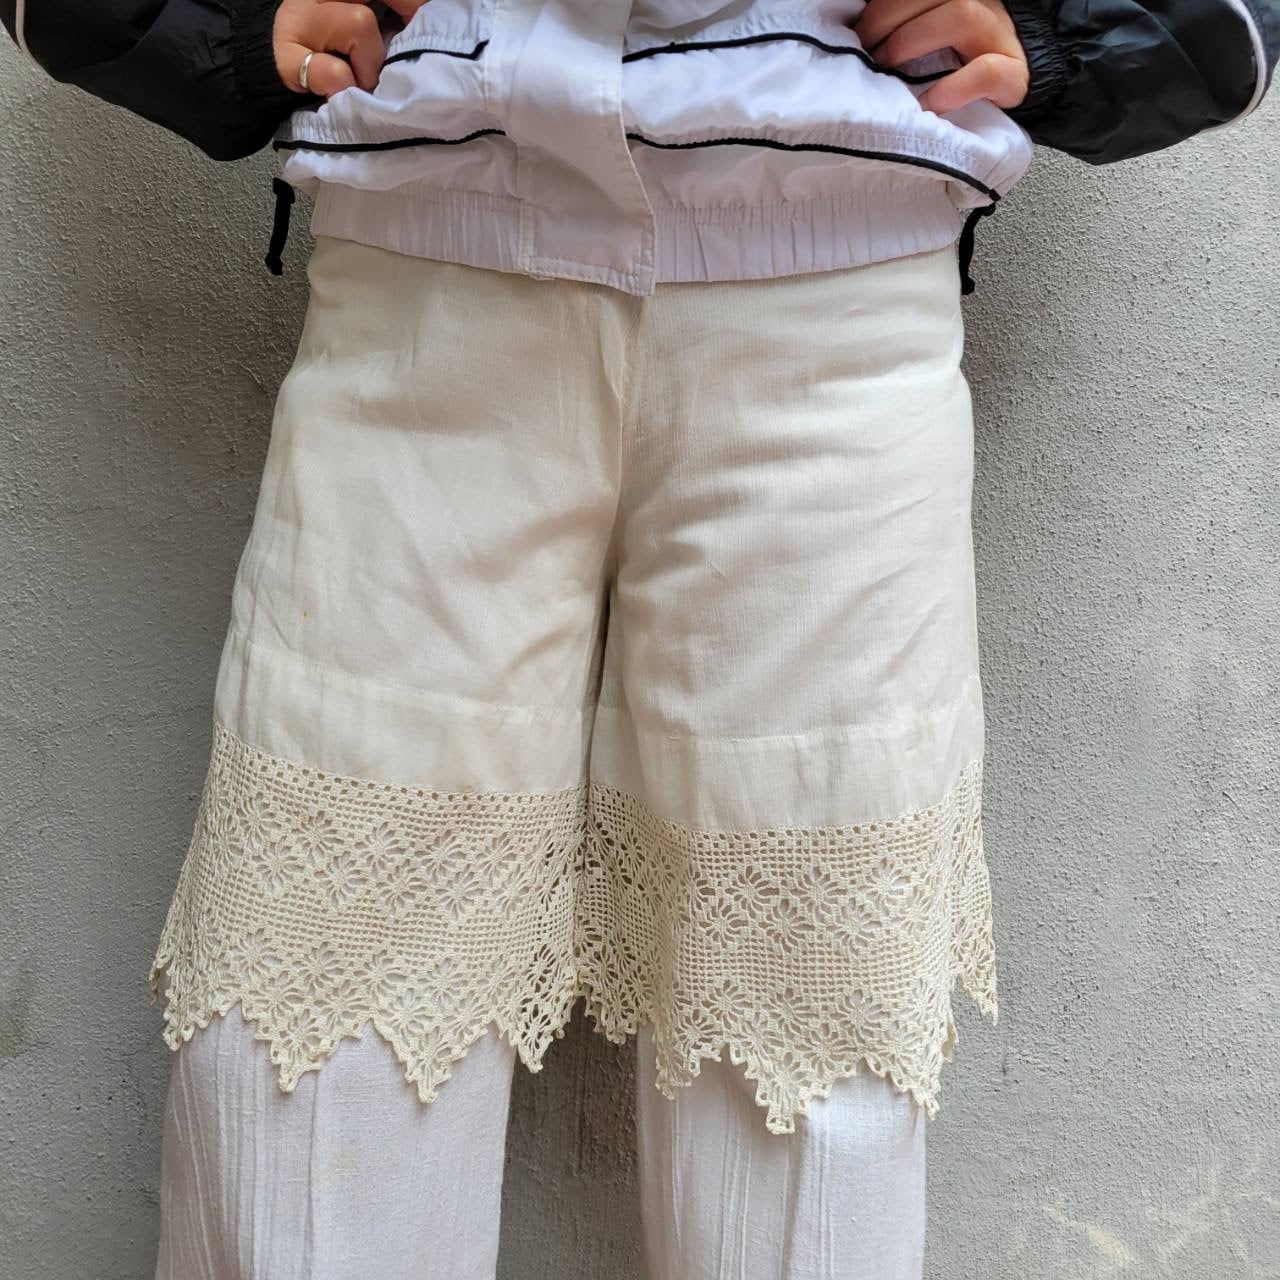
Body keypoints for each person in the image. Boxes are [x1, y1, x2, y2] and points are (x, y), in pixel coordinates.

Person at [5, 1, 1276, 1277]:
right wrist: (212, 24)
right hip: (428, 284)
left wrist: (1065, 32)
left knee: (803, 1035)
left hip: (830, 309)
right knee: (314, 1008)